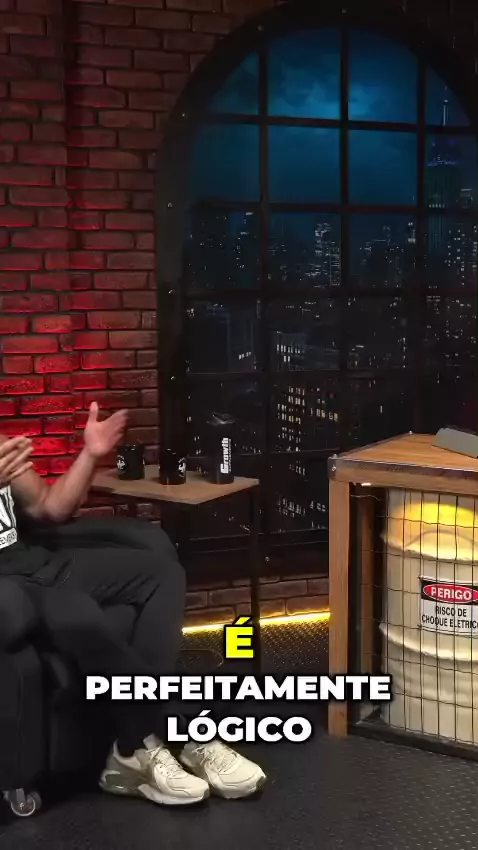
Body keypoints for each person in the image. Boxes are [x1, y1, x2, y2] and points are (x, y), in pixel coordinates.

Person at [0, 402, 266, 806]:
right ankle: (182, 731)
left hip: (34, 562)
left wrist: (91, 453)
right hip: (8, 588)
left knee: (161, 574)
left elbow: (50, 507)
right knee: (79, 614)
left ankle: (133, 746)